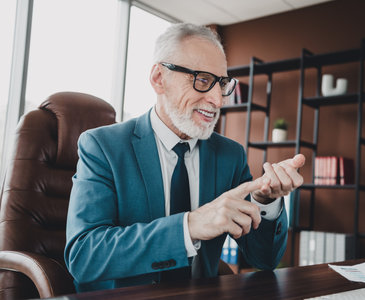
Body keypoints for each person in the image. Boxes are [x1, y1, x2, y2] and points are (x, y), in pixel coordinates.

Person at [64, 23, 305, 292]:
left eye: (222, 84)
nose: (217, 99)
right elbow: (84, 255)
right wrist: (189, 227)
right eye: (203, 80)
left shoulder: (230, 156)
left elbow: (265, 259)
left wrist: (265, 201)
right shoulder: (103, 146)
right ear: (159, 78)